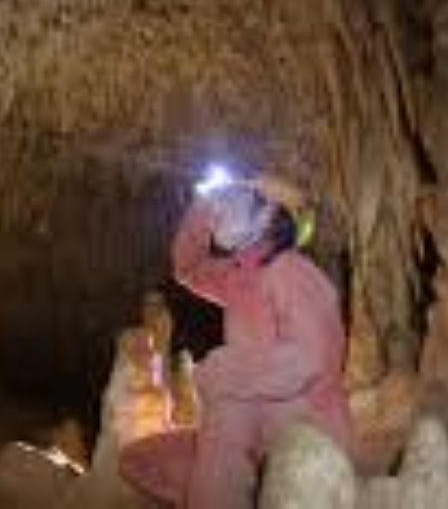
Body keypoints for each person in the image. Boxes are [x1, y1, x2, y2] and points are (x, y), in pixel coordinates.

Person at [119, 179, 353, 509]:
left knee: (226, 417)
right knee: (141, 460)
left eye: (251, 200)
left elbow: (311, 359)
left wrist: (224, 372)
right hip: (253, 424)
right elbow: (188, 269)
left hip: (306, 430)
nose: (237, 206)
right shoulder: (241, 277)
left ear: (273, 218)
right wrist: (205, 209)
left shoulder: (294, 272)